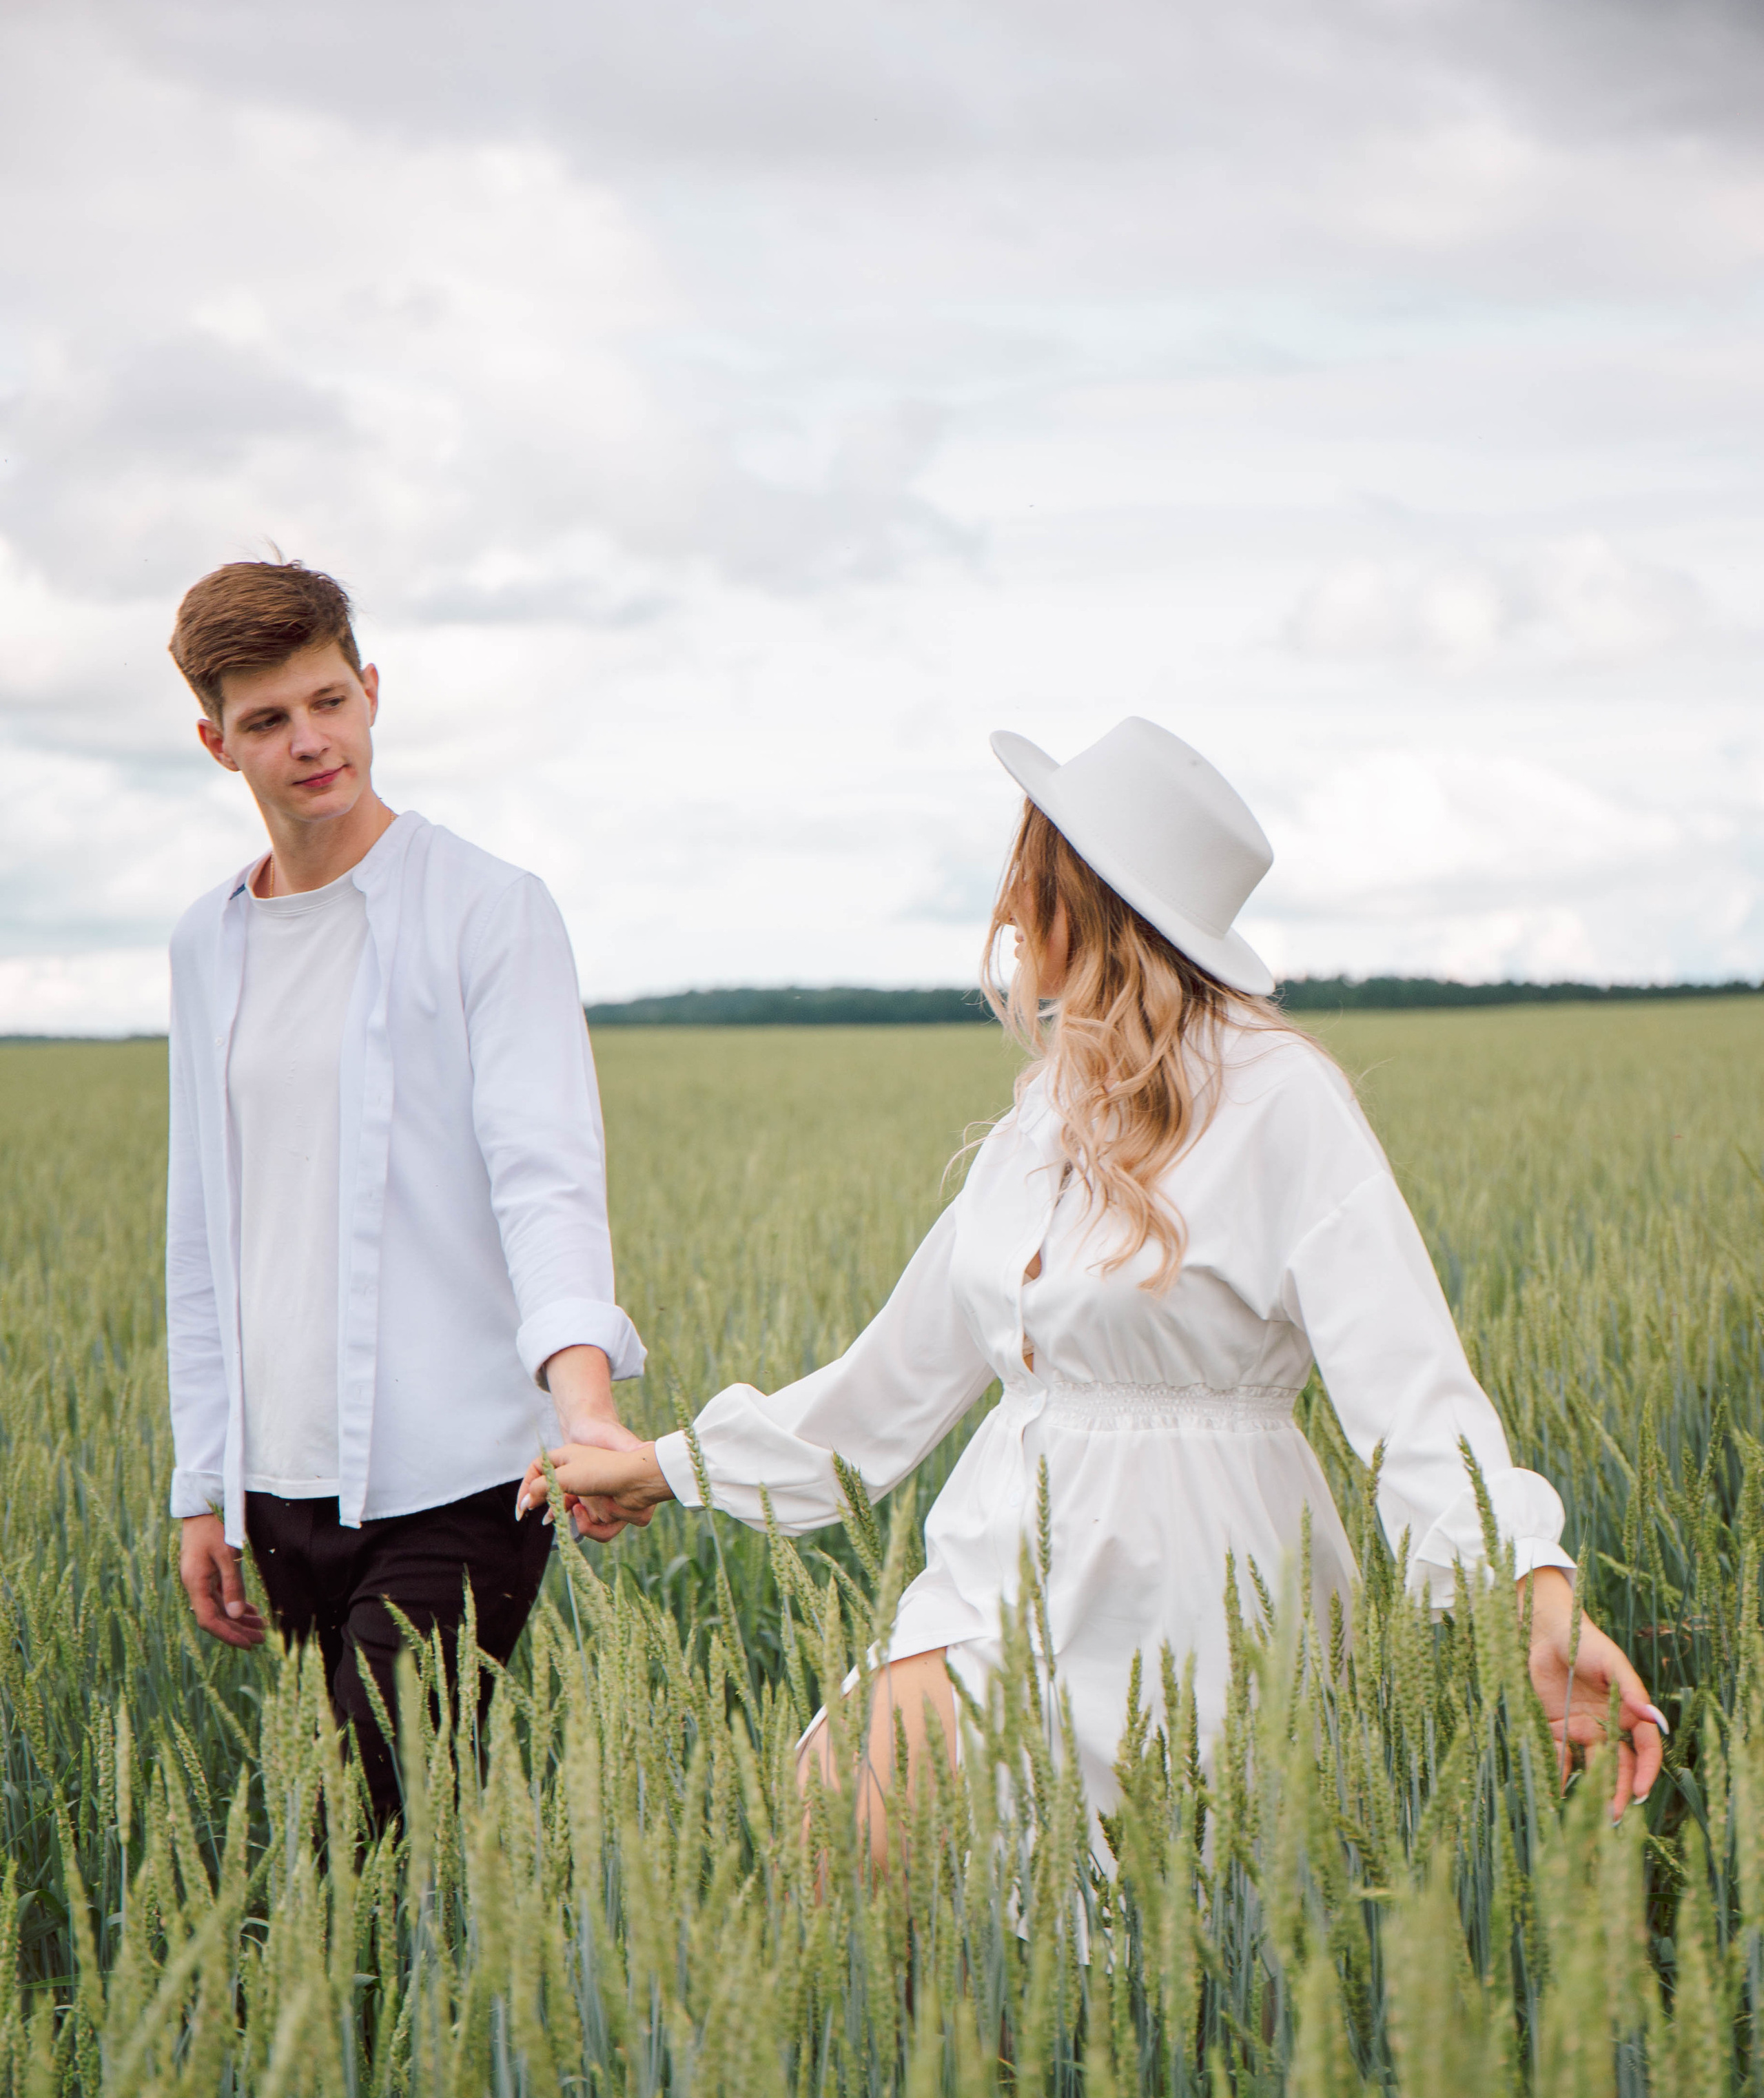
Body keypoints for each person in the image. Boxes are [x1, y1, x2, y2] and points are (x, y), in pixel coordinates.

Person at [520, 715, 1665, 1847]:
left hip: (1203, 1586)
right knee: (841, 1809)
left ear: (1093, 896)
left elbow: (1414, 1401)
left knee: (1159, 1945)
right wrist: (663, 1470)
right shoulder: (1042, 1113)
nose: (1011, 908)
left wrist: (1536, 1604)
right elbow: (892, 1382)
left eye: (1033, 873)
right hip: (1000, 1556)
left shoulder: (1283, 1100)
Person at [166, 557, 648, 1823]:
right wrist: (200, 1483)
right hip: (282, 1482)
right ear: (219, 743)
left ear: (372, 690)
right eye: (268, 720)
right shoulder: (203, 944)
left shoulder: (490, 911)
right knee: (388, 1872)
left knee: (348, 1838)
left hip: (464, 1476)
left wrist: (585, 1410)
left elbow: (547, 1177)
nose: (310, 741)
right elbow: (204, 1232)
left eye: (328, 700)